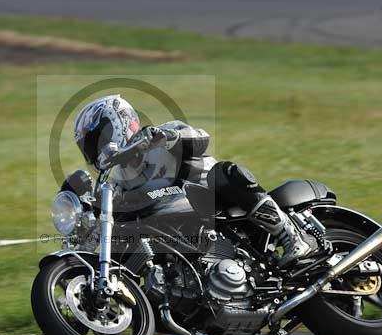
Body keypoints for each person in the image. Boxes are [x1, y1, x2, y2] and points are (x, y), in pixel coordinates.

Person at [73, 94, 317, 268]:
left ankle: (291, 236)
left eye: (99, 138)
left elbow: (202, 138)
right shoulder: (116, 182)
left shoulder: (159, 135)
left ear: (120, 122)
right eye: (90, 147)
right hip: (180, 229)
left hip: (215, 204)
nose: (97, 149)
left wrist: (167, 137)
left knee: (225, 173)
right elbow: (103, 230)